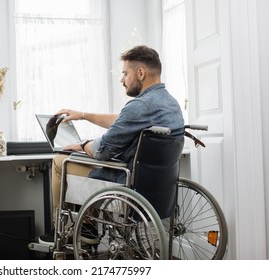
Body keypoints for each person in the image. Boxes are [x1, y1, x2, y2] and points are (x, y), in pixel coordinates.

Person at [39, 45, 185, 245]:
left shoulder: (140, 106)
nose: (121, 79)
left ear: (140, 73)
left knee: (59, 161)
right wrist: (83, 115)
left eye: (125, 73)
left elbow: (101, 151)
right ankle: (87, 226)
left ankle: (62, 231)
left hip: (127, 182)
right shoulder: (170, 103)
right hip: (157, 186)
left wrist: (82, 145)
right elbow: (123, 121)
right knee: (85, 158)